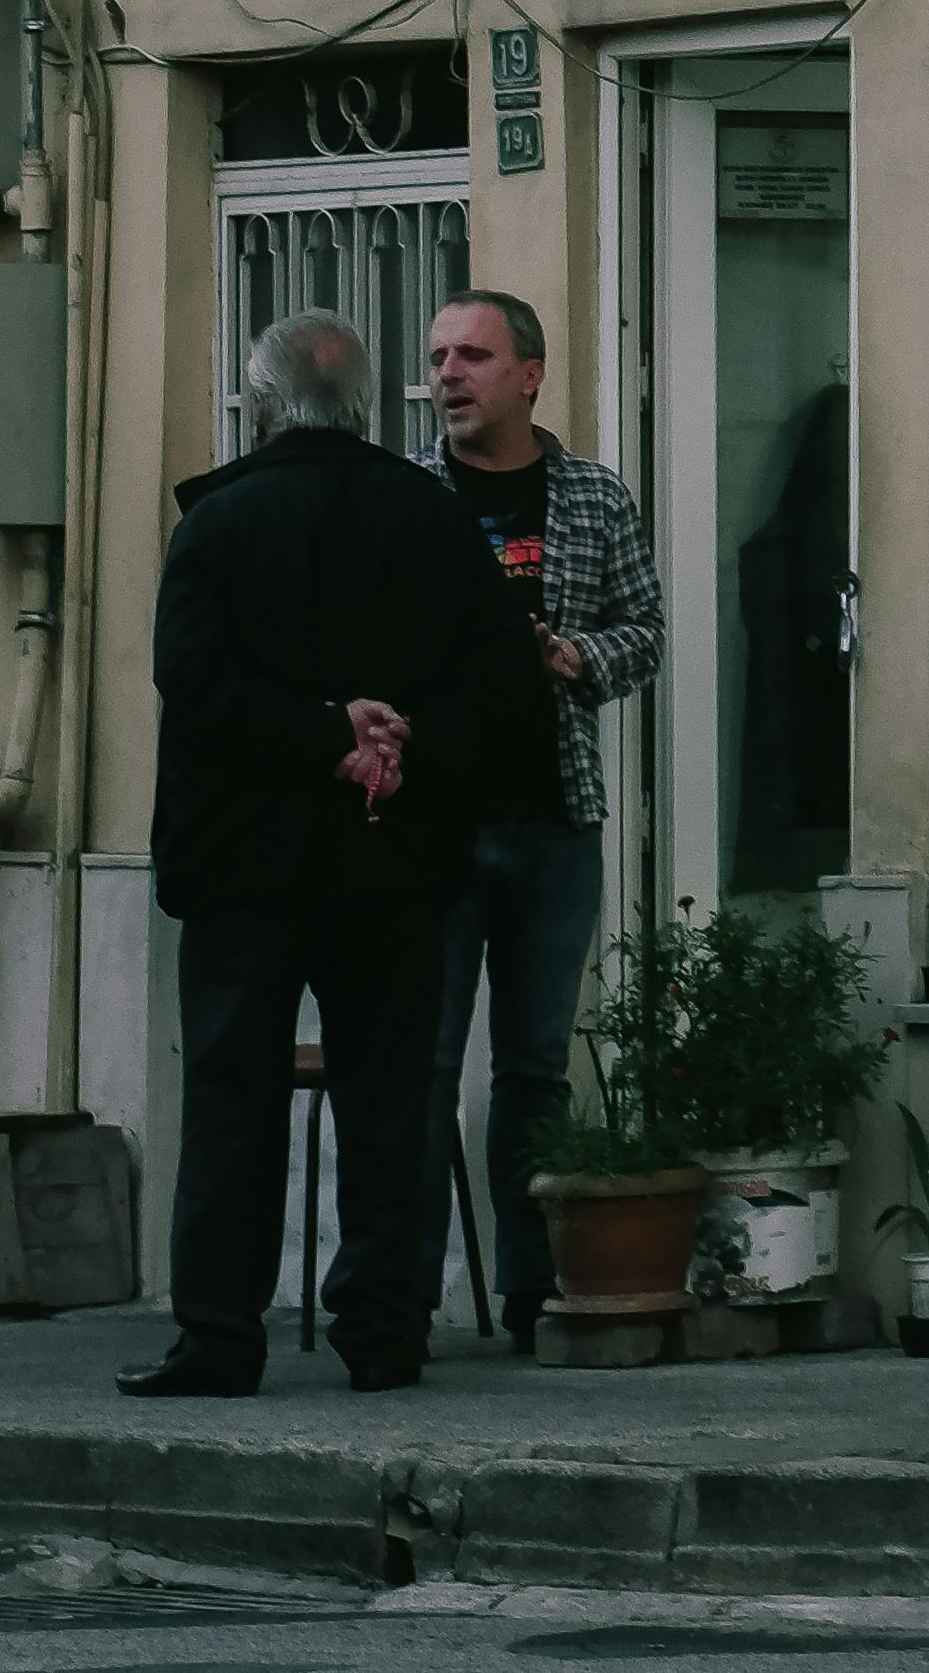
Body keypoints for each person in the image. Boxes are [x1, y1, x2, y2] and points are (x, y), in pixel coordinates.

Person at [128, 308, 543, 1400]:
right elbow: (503, 683)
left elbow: (195, 680)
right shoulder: (437, 519)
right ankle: (384, 1328)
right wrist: (400, 738)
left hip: (245, 865)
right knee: (389, 1091)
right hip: (392, 857)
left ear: (261, 405)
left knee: (231, 1093)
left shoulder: (214, 526)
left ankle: (219, 1332)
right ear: (367, 406)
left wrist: (322, 734)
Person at [421, 288, 667, 1354]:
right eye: (438, 355)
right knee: (423, 1061)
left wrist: (580, 658)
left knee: (529, 1066)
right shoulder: (407, 494)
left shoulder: (591, 494)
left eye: (472, 353)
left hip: (556, 816)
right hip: (433, 822)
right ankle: (406, 1286)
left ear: (530, 371)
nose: (448, 372)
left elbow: (647, 624)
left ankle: (527, 1286)